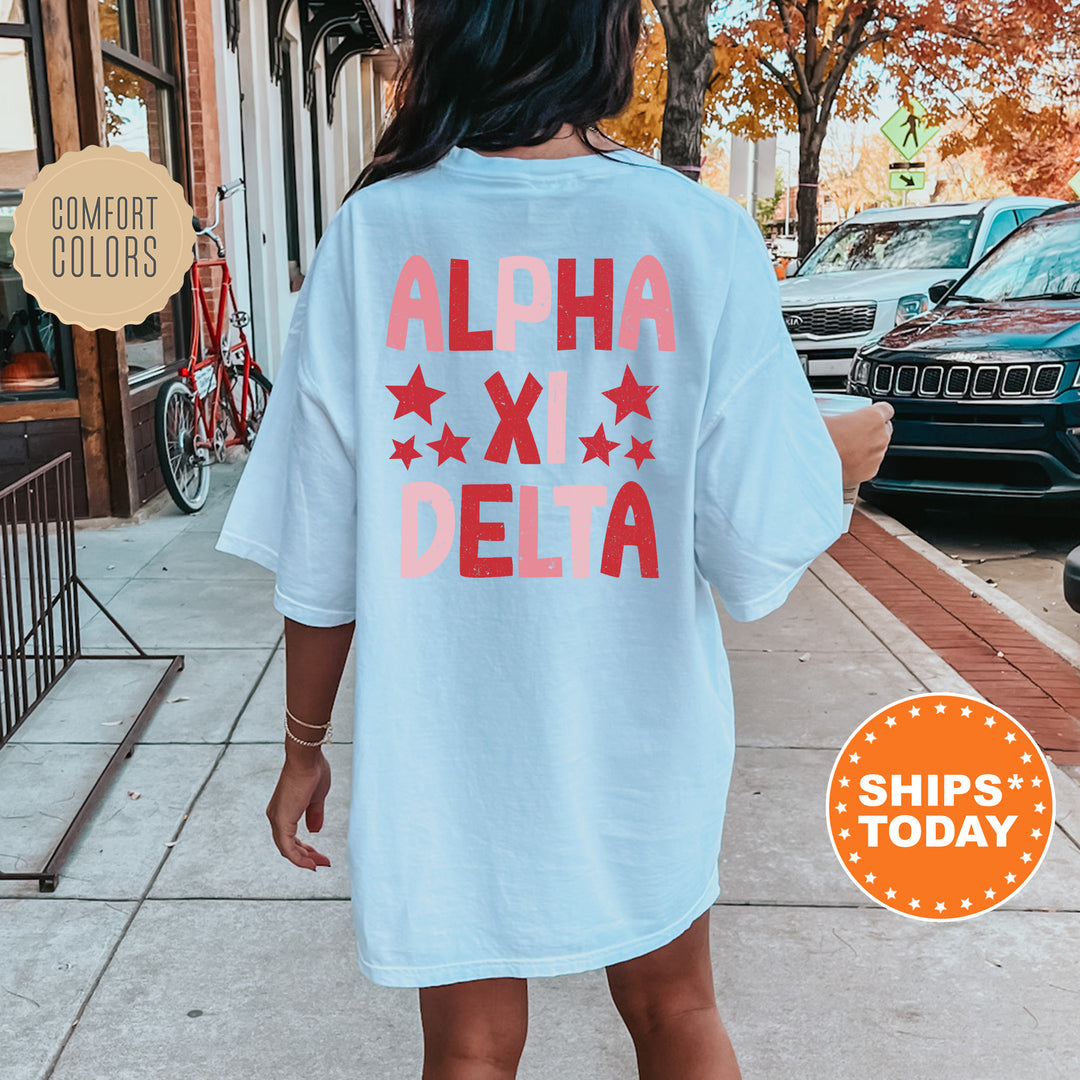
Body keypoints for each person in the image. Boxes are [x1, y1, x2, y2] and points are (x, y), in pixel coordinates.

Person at [213, 2, 894, 1077]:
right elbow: (757, 533)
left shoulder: (376, 235)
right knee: (677, 1010)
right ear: (607, 35)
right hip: (642, 722)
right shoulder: (698, 232)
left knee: (471, 1048)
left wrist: (303, 746)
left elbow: (321, 543)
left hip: (447, 732)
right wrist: (843, 458)